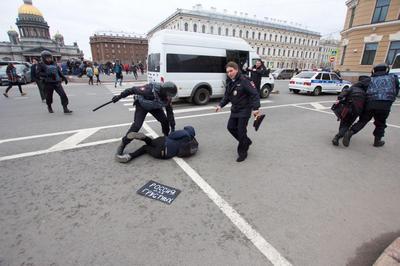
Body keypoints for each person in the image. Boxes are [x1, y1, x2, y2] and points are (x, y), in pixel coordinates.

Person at [111, 81, 178, 158]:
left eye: (171, 96)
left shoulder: (167, 100)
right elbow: (132, 90)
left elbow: (170, 114)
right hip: (142, 105)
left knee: (165, 121)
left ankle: (166, 137)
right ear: (163, 92)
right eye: (169, 96)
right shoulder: (149, 90)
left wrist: (173, 128)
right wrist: (119, 96)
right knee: (136, 126)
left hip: (154, 107)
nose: (170, 98)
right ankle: (123, 143)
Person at [343, 63, 399, 147]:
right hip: (385, 105)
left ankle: (350, 132)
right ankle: (377, 141)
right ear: (387, 70)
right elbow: (396, 91)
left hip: (370, 104)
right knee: (381, 123)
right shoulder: (393, 78)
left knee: (362, 121)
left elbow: (355, 86)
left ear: (373, 71)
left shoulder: (370, 80)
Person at [216, 61, 261, 162]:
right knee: (230, 127)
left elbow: (254, 94)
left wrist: (256, 108)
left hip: (245, 110)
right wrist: (220, 105)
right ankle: (246, 141)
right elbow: (227, 96)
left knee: (241, 132)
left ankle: (242, 152)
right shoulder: (230, 82)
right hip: (235, 109)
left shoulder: (244, 80)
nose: (229, 73)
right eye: (227, 72)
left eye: (231, 71)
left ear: (236, 70)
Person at [115, 126, 198, 163]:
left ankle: (144, 138)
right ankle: (129, 156)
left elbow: (171, 136)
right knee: (146, 148)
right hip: (164, 154)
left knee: (151, 142)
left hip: (163, 142)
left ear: (186, 129)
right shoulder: (191, 142)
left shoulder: (184, 133)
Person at [332, 76, 370, 146]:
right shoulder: (366, 93)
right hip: (356, 111)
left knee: (343, 122)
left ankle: (337, 137)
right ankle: (340, 135)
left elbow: (341, 95)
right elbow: (365, 105)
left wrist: (341, 100)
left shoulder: (353, 88)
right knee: (347, 124)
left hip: (346, 109)